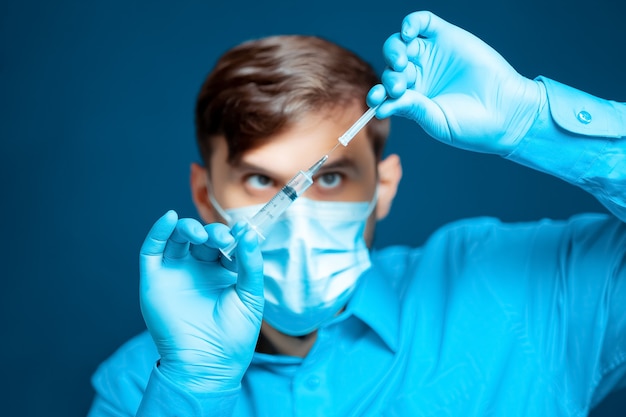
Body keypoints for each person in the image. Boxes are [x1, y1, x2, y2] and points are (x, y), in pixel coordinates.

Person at [88, 10, 625, 417]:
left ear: (383, 185)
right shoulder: (144, 383)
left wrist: (531, 121)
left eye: (330, 177)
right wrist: (194, 388)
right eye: (259, 180)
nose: (296, 215)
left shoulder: (525, 291)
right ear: (204, 193)